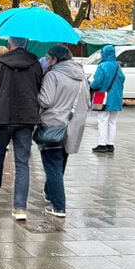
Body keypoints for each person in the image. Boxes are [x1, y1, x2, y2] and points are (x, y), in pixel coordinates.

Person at [0, 36, 43, 221]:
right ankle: (20, 207)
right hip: (26, 118)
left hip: (2, 117)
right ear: (26, 44)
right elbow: (38, 88)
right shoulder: (35, 64)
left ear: (9, 45)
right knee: (22, 163)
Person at [37, 45, 91, 218]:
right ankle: (49, 192)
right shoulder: (82, 77)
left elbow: (45, 100)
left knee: (52, 165)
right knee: (60, 163)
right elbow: (87, 103)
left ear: (55, 59)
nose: (46, 61)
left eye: (47, 58)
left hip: (53, 124)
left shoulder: (53, 75)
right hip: (73, 127)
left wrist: (34, 93)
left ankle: (59, 206)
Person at [90, 45, 125, 153]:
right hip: (116, 97)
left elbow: (97, 82)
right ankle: (110, 144)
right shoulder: (117, 66)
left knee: (102, 121)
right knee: (112, 122)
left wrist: (90, 86)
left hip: (103, 96)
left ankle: (102, 144)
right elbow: (122, 78)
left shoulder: (102, 66)